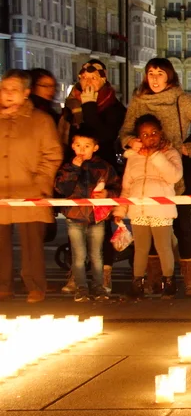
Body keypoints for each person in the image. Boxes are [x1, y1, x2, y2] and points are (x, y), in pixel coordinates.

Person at [120, 58, 191, 296]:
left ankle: (190, 282)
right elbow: (126, 130)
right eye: (150, 73)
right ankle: (155, 280)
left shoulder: (181, 99)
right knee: (148, 229)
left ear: (169, 76)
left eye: (160, 73)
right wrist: (130, 141)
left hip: (175, 170)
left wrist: (190, 148)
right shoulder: (139, 100)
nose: (154, 78)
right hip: (145, 172)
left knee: (182, 226)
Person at [58, 59, 127, 295]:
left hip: (101, 170)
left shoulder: (114, 107)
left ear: (103, 80)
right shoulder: (71, 104)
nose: (88, 82)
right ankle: (76, 276)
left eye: (94, 78)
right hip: (75, 172)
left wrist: (89, 106)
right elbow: (65, 135)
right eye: (84, 78)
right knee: (76, 232)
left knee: (101, 231)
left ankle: (103, 275)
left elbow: (104, 135)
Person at [0, 70, 63, 303]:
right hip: (2, 191)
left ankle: (35, 286)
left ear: (26, 93)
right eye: (4, 89)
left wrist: (40, 183)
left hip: (30, 190)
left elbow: (52, 155)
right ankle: (3, 285)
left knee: (32, 244)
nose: (8, 94)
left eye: (14, 90)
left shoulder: (40, 120)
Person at [114, 114, 183, 299]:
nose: (150, 137)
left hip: (161, 209)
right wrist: (121, 209)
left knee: (163, 247)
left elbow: (174, 176)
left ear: (160, 133)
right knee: (140, 248)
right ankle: (137, 283)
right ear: (138, 138)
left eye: (154, 132)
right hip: (139, 209)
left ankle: (169, 282)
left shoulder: (170, 153)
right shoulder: (133, 157)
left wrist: (155, 156)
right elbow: (127, 187)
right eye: (145, 134)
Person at [54, 127, 122, 302]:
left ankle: (99, 287)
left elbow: (117, 187)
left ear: (95, 147)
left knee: (96, 255)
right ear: (72, 146)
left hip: (97, 217)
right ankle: (81, 288)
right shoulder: (68, 167)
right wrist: (74, 169)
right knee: (79, 255)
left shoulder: (104, 167)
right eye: (78, 145)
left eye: (87, 146)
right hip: (75, 217)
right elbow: (62, 189)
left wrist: (107, 193)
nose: (82, 150)